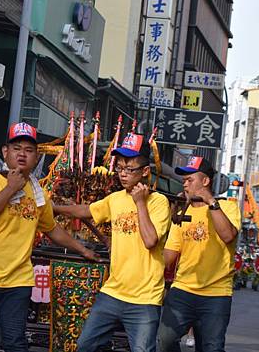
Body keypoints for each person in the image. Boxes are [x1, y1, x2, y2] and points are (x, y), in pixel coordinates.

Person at [0, 122, 97, 352]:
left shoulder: (38, 193)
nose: (22, 154)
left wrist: (81, 249)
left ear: (36, 157)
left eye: (29, 150)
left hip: (17, 280)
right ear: (5, 152)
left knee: (15, 343)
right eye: (16, 148)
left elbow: (52, 229)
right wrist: (10, 188)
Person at [54, 133, 171, 352]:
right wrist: (54, 207)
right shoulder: (116, 199)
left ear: (145, 171)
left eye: (129, 168)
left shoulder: (158, 202)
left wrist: (140, 203)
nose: (123, 174)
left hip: (145, 298)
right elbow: (86, 211)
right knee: (85, 346)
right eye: (120, 168)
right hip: (113, 292)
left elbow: (150, 240)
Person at [157, 156, 241, 352]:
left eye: (189, 180)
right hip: (183, 290)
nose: (185, 185)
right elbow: (170, 254)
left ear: (205, 182)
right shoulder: (182, 212)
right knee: (164, 341)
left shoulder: (228, 207)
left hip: (217, 294)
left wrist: (210, 201)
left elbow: (228, 235)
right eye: (184, 181)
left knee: (211, 348)